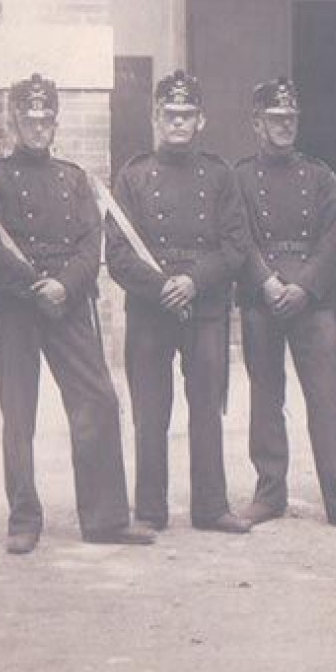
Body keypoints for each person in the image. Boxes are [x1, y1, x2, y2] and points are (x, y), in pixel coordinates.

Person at [0, 73, 153, 554]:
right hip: (16, 306)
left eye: (45, 116)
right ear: (14, 119)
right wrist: (33, 286)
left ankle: (106, 518)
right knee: (19, 414)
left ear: (55, 120)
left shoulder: (74, 179)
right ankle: (24, 519)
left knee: (99, 401)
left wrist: (64, 285)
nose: (37, 124)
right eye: (28, 116)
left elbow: (92, 245)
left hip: (68, 305)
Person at [107, 70, 254, 535]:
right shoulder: (133, 177)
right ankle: (150, 510)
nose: (178, 122)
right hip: (151, 310)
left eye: (186, 114)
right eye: (169, 114)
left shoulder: (220, 175)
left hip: (205, 308)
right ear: (155, 117)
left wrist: (193, 281)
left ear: (201, 120)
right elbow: (118, 253)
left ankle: (211, 507)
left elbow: (235, 245)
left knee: (206, 408)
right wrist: (161, 287)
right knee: (151, 412)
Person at [234, 78, 336, 532]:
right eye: (276, 119)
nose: (285, 126)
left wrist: (306, 286)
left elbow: (334, 239)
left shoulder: (319, 176)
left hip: (312, 302)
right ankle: (269, 492)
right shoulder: (239, 179)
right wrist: (267, 283)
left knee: (326, 400)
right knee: (265, 398)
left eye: (291, 118)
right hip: (264, 299)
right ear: (257, 123)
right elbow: (239, 237)